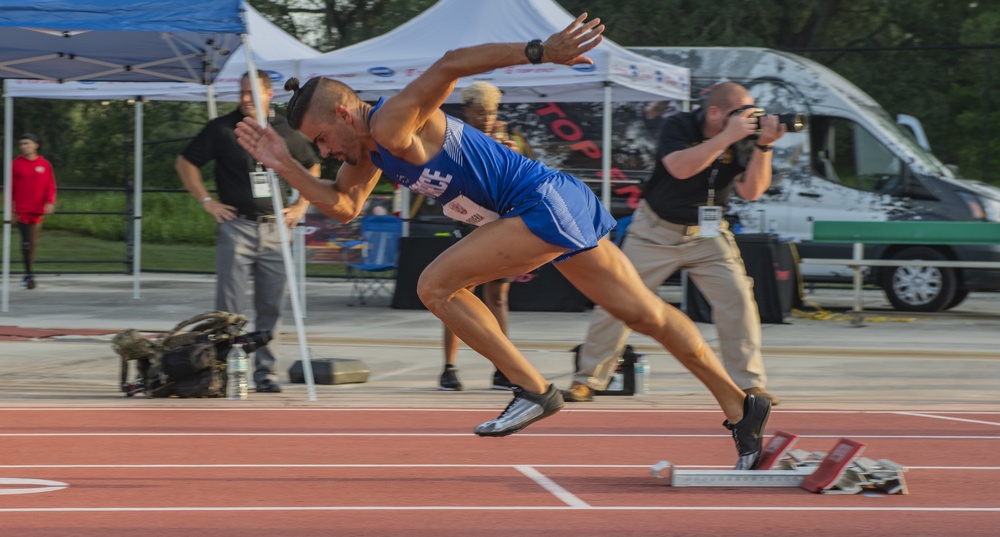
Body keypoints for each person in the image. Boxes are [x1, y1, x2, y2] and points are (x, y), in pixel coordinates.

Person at [235, 14, 771, 469]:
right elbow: (344, 206)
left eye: (323, 139)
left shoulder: (394, 120)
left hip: (542, 203)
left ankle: (533, 389)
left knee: (435, 286)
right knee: (645, 315)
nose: (326, 152)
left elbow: (450, 63)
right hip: (557, 203)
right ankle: (741, 406)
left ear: (345, 114)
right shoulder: (367, 154)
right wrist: (284, 163)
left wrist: (541, 50)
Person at [563, 82, 785, 407]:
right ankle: (587, 381)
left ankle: (749, 385)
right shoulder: (680, 124)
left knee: (738, 301)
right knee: (616, 301)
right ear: (714, 112)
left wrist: (764, 146)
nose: (749, 119)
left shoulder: (744, 139)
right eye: (741, 113)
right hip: (655, 231)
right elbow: (679, 168)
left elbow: (751, 191)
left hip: (708, 235)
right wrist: (726, 137)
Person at [176, 71, 321, 394]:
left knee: (272, 306)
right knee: (228, 311)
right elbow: (185, 163)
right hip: (237, 227)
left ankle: (265, 374)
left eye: (250, 93)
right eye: (241, 92)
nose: (244, 98)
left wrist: (301, 205)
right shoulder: (222, 128)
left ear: (268, 94)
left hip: (275, 228)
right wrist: (207, 201)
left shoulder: (285, 128)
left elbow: (312, 164)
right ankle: (223, 371)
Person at [439, 81, 522, 392]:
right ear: (467, 111)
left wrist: (511, 157)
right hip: (468, 219)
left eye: (492, 112)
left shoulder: (505, 138)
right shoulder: (456, 139)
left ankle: (503, 367)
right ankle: (449, 367)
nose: (487, 118)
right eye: (481, 113)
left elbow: (519, 176)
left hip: (499, 222)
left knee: (499, 296)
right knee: (457, 292)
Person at [11, 133, 57, 290]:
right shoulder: (16, 164)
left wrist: (50, 202)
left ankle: (27, 272)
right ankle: (29, 276)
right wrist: (11, 209)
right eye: (21, 144)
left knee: (33, 243)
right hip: (22, 209)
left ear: (35, 145)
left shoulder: (44, 165)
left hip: (37, 210)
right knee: (25, 243)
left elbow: (50, 185)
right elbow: (10, 188)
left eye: (27, 143)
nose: (24, 146)